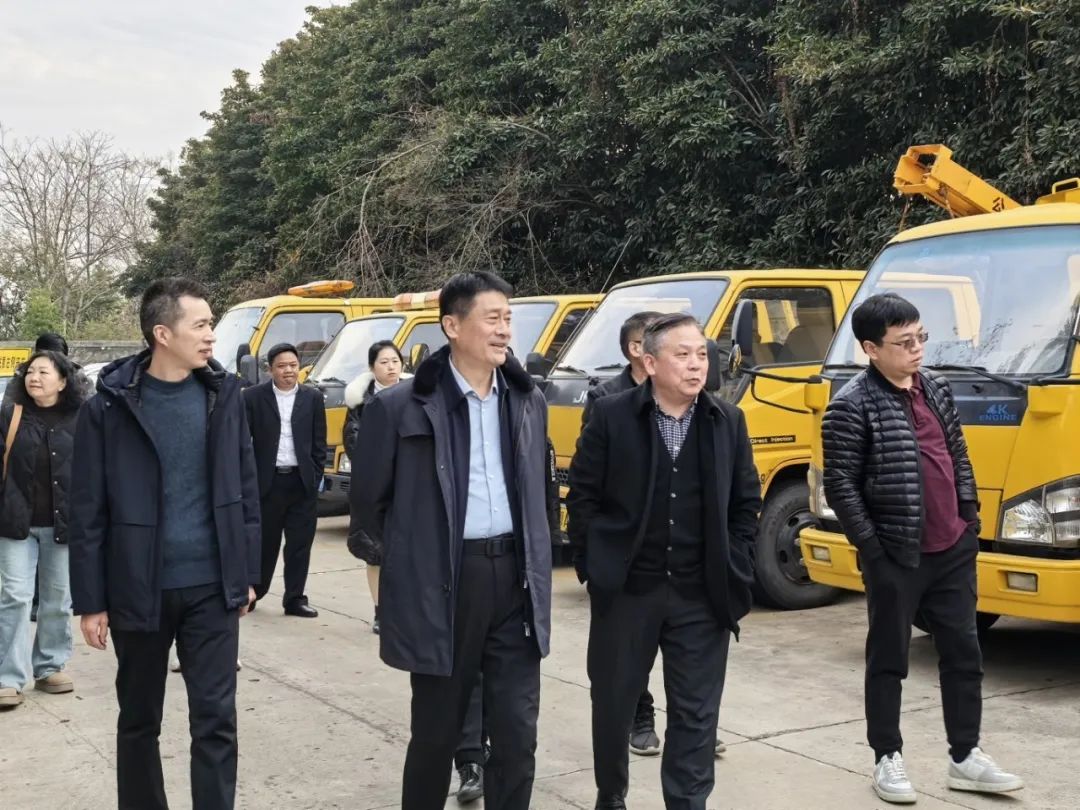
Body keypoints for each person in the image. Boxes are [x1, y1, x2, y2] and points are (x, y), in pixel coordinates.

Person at [352, 271, 552, 810]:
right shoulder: (401, 407)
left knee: (517, 735)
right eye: (492, 318)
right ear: (452, 326)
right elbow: (369, 507)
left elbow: (538, 491)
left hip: (513, 580)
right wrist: (410, 566)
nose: (504, 330)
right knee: (436, 735)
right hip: (445, 583)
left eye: (508, 318)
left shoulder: (526, 400)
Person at [821, 293, 1024, 804]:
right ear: (871, 349)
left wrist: (969, 520)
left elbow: (957, 453)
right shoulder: (850, 405)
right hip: (896, 555)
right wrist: (874, 551)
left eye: (920, 338)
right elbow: (841, 487)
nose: (917, 350)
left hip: (952, 547)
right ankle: (886, 758)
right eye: (904, 342)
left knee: (964, 654)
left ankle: (965, 756)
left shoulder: (934, 387)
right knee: (888, 660)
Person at [68, 277, 261, 810]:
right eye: (201, 325)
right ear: (162, 334)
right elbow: (87, 509)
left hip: (211, 587)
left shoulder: (224, 397)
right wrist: (91, 601)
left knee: (216, 719)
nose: (211, 335)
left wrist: (246, 574)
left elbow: (246, 490)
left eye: (211, 324)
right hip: (138, 587)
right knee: (138, 720)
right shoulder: (107, 409)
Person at [567, 312, 761, 810]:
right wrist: (595, 568)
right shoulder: (611, 415)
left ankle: (687, 802)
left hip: (702, 595)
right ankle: (611, 795)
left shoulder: (727, 421)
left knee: (696, 713)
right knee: (613, 703)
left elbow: (745, 503)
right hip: (628, 590)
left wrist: (735, 562)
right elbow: (583, 496)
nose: (696, 365)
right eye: (682, 355)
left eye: (701, 355)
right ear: (650, 363)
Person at [0, 351, 86, 708]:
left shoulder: (81, 418)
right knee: (15, 596)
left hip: (63, 524)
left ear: (63, 381)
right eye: (30, 371)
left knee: (57, 598)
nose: (34, 377)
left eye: (43, 372)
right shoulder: (10, 414)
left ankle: (49, 666)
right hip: (15, 522)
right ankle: (8, 677)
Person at [244, 342, 327, 618]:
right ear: (270, 369)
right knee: (265, 544)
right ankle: (254, 592)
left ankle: (295, 599)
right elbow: (243, 443)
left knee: (300, 544)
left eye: (293, 365)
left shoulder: (312, 398)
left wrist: (315, 476)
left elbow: (319, 443)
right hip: (267, 484)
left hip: (301, 483)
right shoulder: (253, 398)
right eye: (281, 366)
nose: (288, 370)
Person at [343, 339, 409, 634]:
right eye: (384, 362)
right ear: (372, 368)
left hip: (410, 488)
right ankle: (381, 611)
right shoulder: (359, 402)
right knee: (375, 552)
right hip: (373, 491)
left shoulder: (417, 396)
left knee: (409, 553)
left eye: (395, 361)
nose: (391, 367)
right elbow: (354, 443)